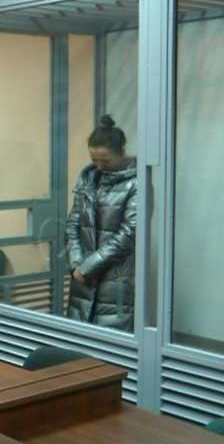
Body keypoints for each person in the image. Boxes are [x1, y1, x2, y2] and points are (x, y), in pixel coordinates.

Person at [65, 115, 136, 331]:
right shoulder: (88, 179)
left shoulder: (136, 183)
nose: (99, 166)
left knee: (111, 342)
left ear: (121, 151)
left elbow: (129, 233)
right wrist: (76, 263)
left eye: (105, 160)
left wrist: (89, 267)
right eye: (94, 159)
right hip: (82, 279)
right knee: (78, 340)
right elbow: (73, 224)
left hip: (116, 278)